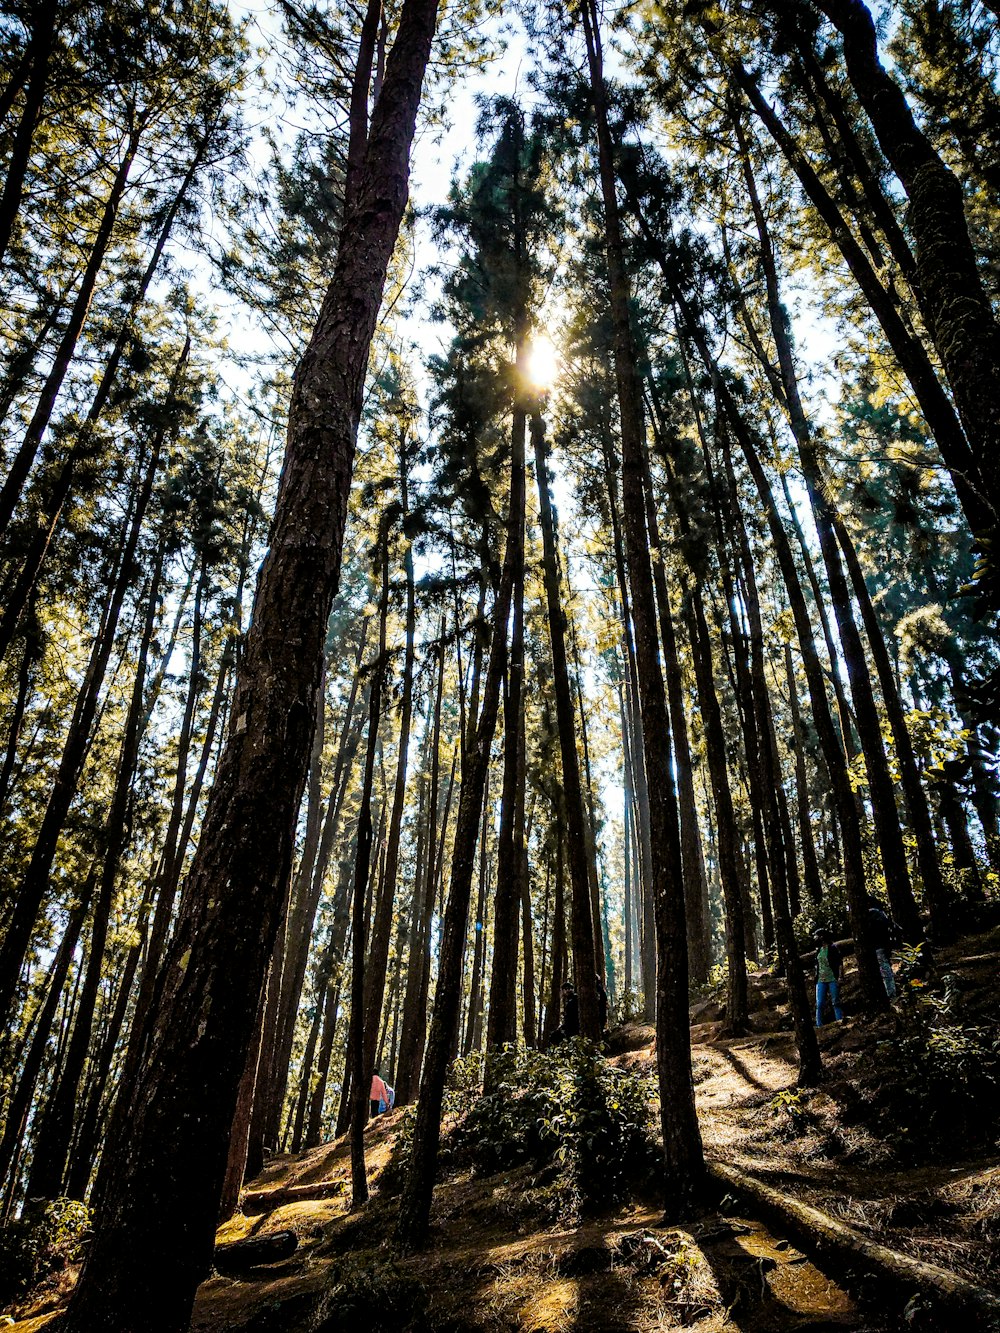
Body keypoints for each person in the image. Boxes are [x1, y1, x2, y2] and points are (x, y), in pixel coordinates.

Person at [867, 899, 898, 999]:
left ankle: (891, 994)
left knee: (884, 970)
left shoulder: (872, 914)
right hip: (884, 945)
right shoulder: (882, 914)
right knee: (885, 968)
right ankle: (891, 991)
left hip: (877, 946)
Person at [814, 928, 844, 1026]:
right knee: (820, 1004)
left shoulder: (832, 948)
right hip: (820, 980)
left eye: (817, 936)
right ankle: (819, 1025)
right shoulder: (818, 950)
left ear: (822, 937)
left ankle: (840, 1021)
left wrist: (840, 977)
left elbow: (840, 963)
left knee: (835, 1001)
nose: (815, 938)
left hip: (832, 978)